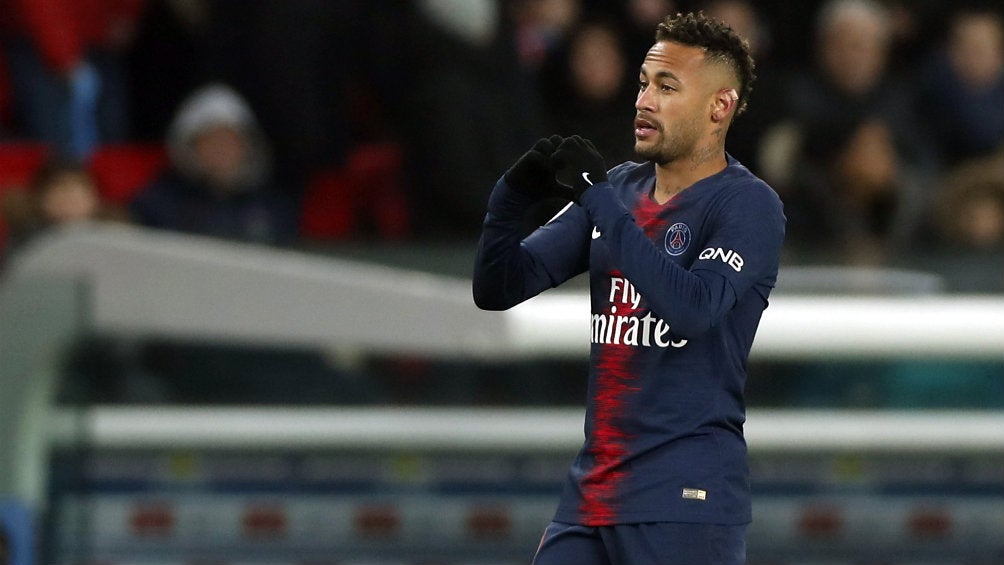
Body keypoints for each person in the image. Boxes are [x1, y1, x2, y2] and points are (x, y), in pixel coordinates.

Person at [472, 11, 784, 565]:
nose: (644, 101)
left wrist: (599, 202)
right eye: (643, 83)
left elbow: (692, 308)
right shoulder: (619, 189)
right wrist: (508, 200)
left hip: (686, 496)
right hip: (593, 494)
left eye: (667, 87)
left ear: (720, 106)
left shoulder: (748, 205)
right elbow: (499, 287)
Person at [129, 83, 296, 245]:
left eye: (230, 141)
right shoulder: (162, 202)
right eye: (212, 142)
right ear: (191, 147)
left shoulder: (272, 209)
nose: (222, 151)